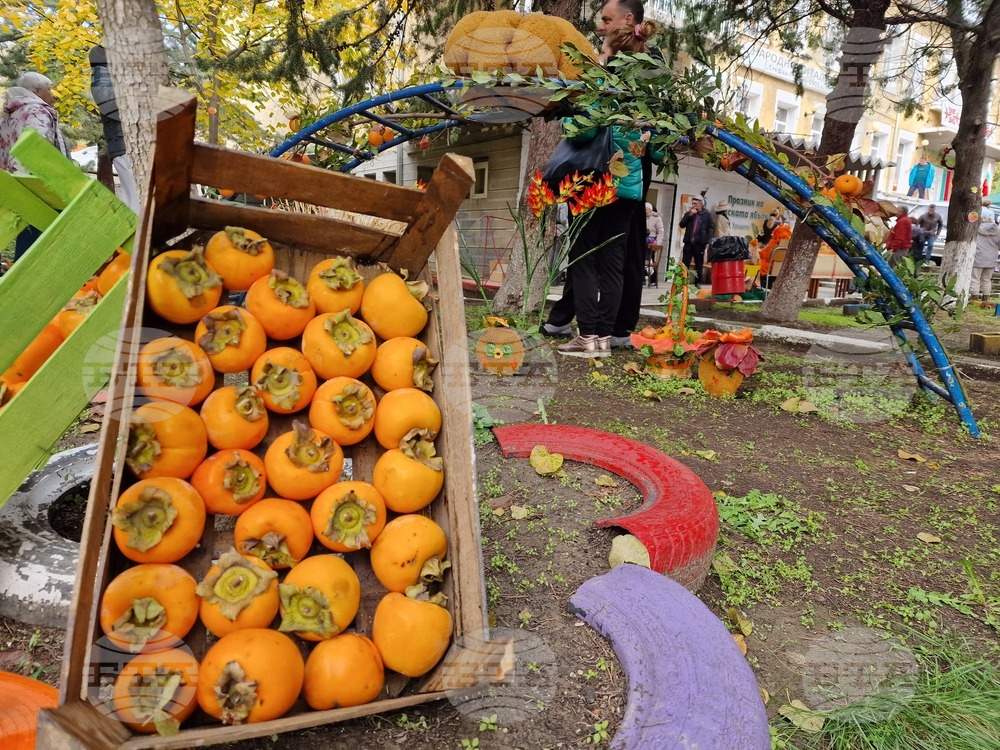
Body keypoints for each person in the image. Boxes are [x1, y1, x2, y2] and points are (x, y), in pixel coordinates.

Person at [542, 0, 659, 353]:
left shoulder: (601, 80)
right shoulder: (648, 87)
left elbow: (579, 132)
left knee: (583, 258)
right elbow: (652, 144)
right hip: (627, 187)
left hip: (592, 184)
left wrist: (571, 109)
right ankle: (606, 339)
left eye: (606, 28)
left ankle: (587, 336)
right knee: (613, 263)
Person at [0, 72, 72, 260]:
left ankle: (23, 270)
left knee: (28, 227)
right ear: (37, 91)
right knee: (45, 230)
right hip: (38, 182)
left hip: (15, 180)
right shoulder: (37, 111)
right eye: (48, 90)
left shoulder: (11, 115)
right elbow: (40, 149)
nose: (52, 94)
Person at [89, 45, 139, 213]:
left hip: (134, 145)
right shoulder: (104, 70)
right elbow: (107, 102)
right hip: (127, 146)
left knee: (138, 203)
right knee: (140, 203)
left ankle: (140, 238)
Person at [678, 195, 714, 286]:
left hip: (699, 243)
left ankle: (697, 282)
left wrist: (708, 241)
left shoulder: (707, 214)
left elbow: (710, 228)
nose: (694, 205)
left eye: (695, 203)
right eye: (692, 203)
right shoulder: (689, 213)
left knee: (699, 264)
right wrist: (690, 215)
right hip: (688, 243)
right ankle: (683, 281)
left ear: (701, 203)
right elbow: (682, 224)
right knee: (685, 263)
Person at [972, 214, 1000, 303]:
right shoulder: (998, 231)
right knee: (987, 279)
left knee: (975, 278)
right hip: (992, 259)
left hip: (978, 257)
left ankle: (974, 297)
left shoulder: (975, 230)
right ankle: (986, 298)